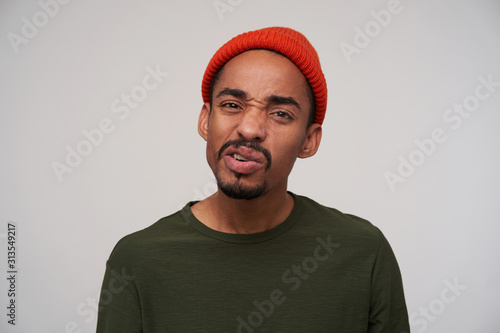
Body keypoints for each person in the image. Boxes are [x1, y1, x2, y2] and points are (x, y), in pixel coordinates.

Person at [96, 27, 410, 333]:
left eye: (281, 114)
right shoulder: (136, 261)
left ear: (309, 141)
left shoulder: (364, 252)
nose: (249, 128)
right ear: (206, 120)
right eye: (232, 105)